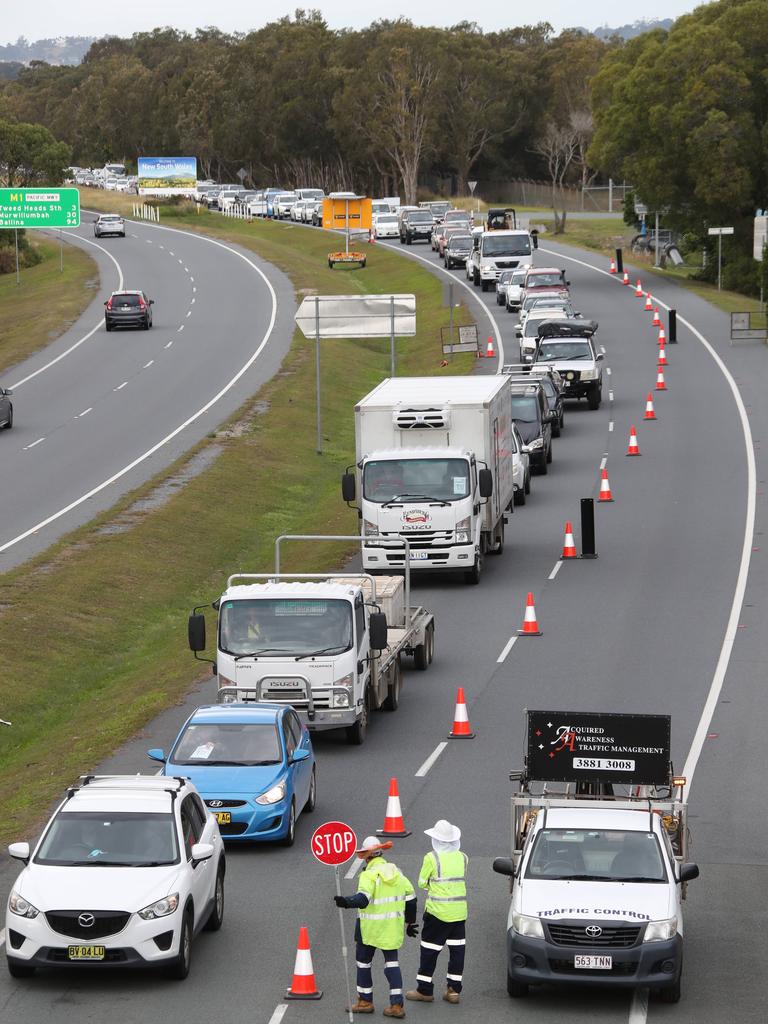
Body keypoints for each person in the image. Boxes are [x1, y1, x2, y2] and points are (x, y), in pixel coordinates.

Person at [334, 836, 418, 1018]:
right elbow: (411, 898)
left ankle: (365, 1002)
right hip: (391, 930)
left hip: (369, 930)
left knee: (363, 964)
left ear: (366, 857)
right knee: (392, 965)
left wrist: (345, 902)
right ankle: (397, 1006)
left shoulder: (368, 875)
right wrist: (410, 922)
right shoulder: (397, 873)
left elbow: (363, 900)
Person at [406, 820, 467, 1005]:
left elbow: (422, 882)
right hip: (459, 914)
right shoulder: (463, 857)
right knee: (457, 952)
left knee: (429, 951)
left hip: (437, 914)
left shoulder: (431, 858)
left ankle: (424, 990)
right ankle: (454, 991)